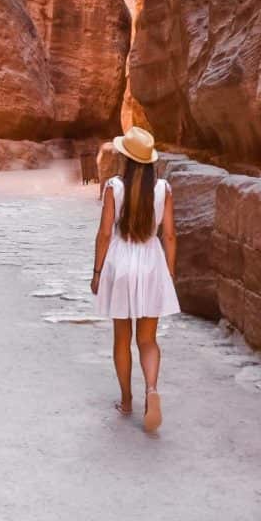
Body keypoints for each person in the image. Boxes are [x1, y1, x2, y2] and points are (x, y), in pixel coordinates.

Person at [90, 126, 180, 432]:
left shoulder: (114, 187)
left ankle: (127, 400)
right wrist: (169, 273)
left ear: (125, 159)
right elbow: (169, 235)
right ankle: (151, 389)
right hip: (151, 262)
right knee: (148, 339)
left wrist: (97, 272)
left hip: (121, 264)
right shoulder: (163, 189)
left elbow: (105, 234)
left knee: (122, 338)